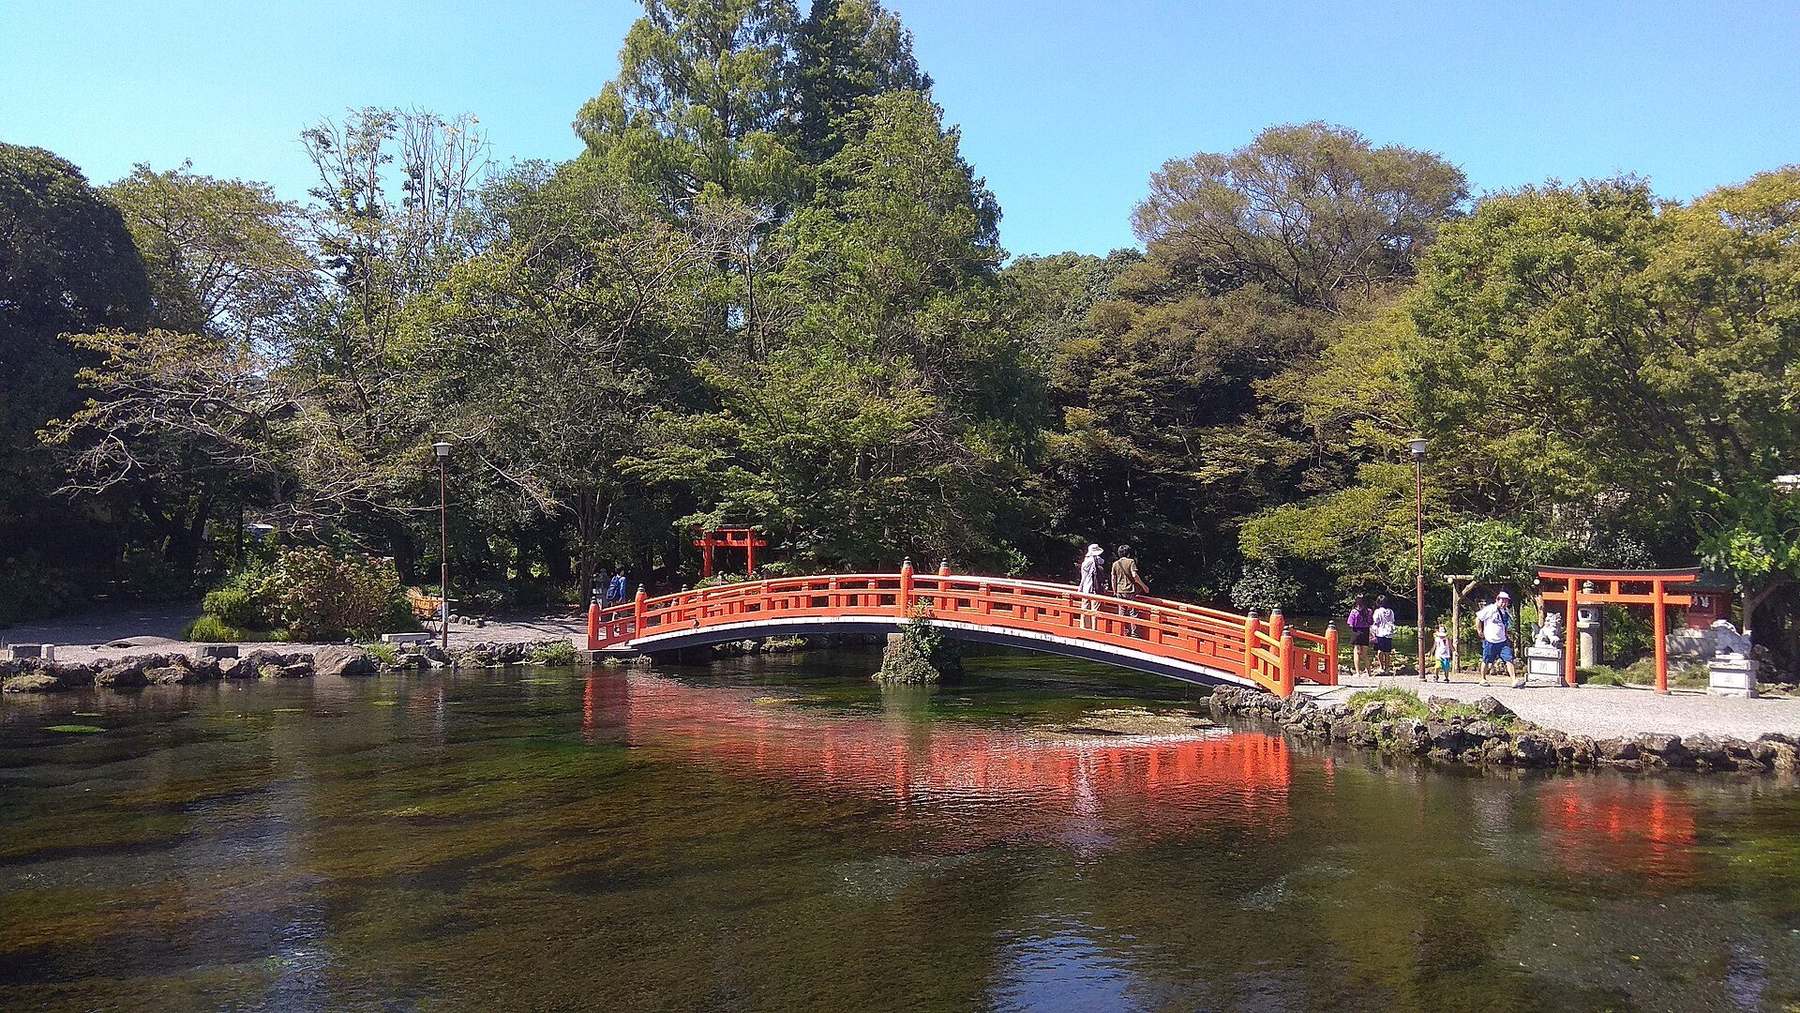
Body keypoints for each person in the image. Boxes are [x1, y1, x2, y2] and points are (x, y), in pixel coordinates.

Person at [1475, 591, 1522, 687]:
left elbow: (1505, 625)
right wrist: (1479, 631)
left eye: (1506, 601)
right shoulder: (1490, 609)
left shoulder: (1506, 611)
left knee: (1509, 659)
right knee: (1486, 659)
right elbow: (1479, 618)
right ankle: (1483, 678)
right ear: (1497, 600)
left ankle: (1513, 680)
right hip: (1490, 640)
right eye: (1502, 601)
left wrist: (1507, 634)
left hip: (1502, 640)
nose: (1504, 603)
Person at [1110, 544, 1150, 637]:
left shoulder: (1115, 564)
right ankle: (1134, 633)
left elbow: (1113, 579)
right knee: (1133, 611)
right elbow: (1134, 575)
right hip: (1130, 590)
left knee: (1122, 611)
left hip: (1120, 590)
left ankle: (1121, 631)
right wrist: (1144, 586)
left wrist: (1115, 591)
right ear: (1128, 554)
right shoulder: (1131, 561)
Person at [1077, 543, 1105, 630]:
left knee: (1085, 608)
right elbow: (1102, 561)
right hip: (1094, 588)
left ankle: (1084, 628)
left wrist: (1080, 587)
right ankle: (1094, 629)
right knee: (1095, 609)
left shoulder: (1086, 561)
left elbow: (1083, 577)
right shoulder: (1096, 560)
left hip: (1086, 588)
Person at [1346, 595, 1373, 677]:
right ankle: (1369, 672)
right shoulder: (1369, 611)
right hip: (1365, 632)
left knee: (1356, 652)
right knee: (1364, 653)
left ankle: (1358, 673)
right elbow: (1371, 622)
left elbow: (1350, 624)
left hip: (1356, 632)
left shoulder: (1354, 611)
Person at [1370, 595, 1397, 674]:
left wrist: (1372, 631)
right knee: (1387, 652)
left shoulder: (1378, 611)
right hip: (1388, 633)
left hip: (1380, 633)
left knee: (1380, 651)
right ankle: (1387, 668)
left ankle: (1381, 667)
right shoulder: (1391, 611)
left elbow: (1375, 622)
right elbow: (1392, 621)